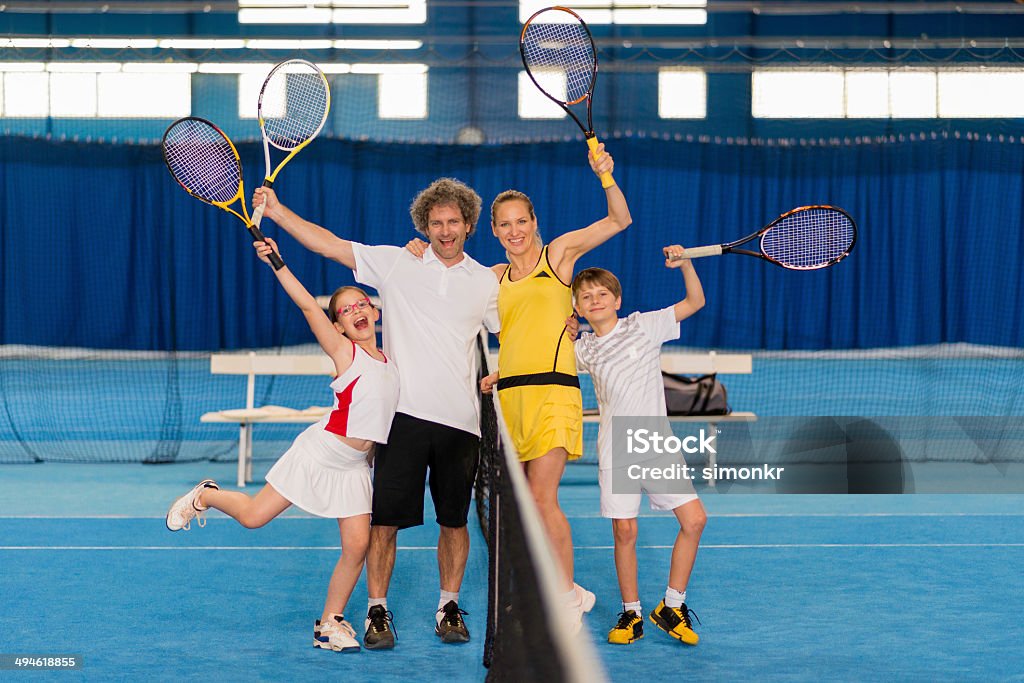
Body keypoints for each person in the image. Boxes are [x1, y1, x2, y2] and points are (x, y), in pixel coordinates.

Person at [252, 179, 500, 649]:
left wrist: (565, 327)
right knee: (383, 524)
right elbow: (331, 247)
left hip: (461, 425)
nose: (445, 231)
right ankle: (376, 611)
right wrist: (280, 213)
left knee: (456, 522)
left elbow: (520, 327)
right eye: (435, 223)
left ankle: (448, 606)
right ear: (423, 226)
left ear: (468, 225)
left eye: (453, 222)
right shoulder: (398, 262)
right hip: (401, 420)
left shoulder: (487, 282)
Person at [410, 144, 630, 630]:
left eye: (521, 221)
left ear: (534, 222)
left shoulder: (559, 255)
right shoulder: (492, 277)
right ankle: (560, 591)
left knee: (542, 497)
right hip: (510, 399)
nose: (514, 231)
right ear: (492, 230)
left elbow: (618, 221)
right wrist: (418, 252)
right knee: (522, 505)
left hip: (555, 393)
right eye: (504, 224)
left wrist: (606, 175)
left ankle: (566, 599)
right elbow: (455, 302)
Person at [165, 237, 400, 654]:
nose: (356, 311)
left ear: (376, 310)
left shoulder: (393, 360)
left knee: (358, 547)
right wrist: (277, 263)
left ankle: (331, 622)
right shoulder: (345, 353)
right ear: (340, 327)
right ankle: (206, 495)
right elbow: (310, 306)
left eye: (361, 303)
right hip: (320, 453)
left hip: (356, 467)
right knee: (255, 517)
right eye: (345, 310)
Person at [570, 248, 708, 646]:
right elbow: (540, 363)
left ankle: (672, 605)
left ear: (617, 300)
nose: (594, 301)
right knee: (625, 531)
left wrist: (685, 264)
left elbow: (695, 302)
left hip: (654, 442)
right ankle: (631, 613)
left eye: (601, 295)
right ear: (577, 307)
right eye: (586, 297)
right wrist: (498, 373)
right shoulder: (581, 349)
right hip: (617, 447)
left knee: (695, 520)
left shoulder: (644, 326)